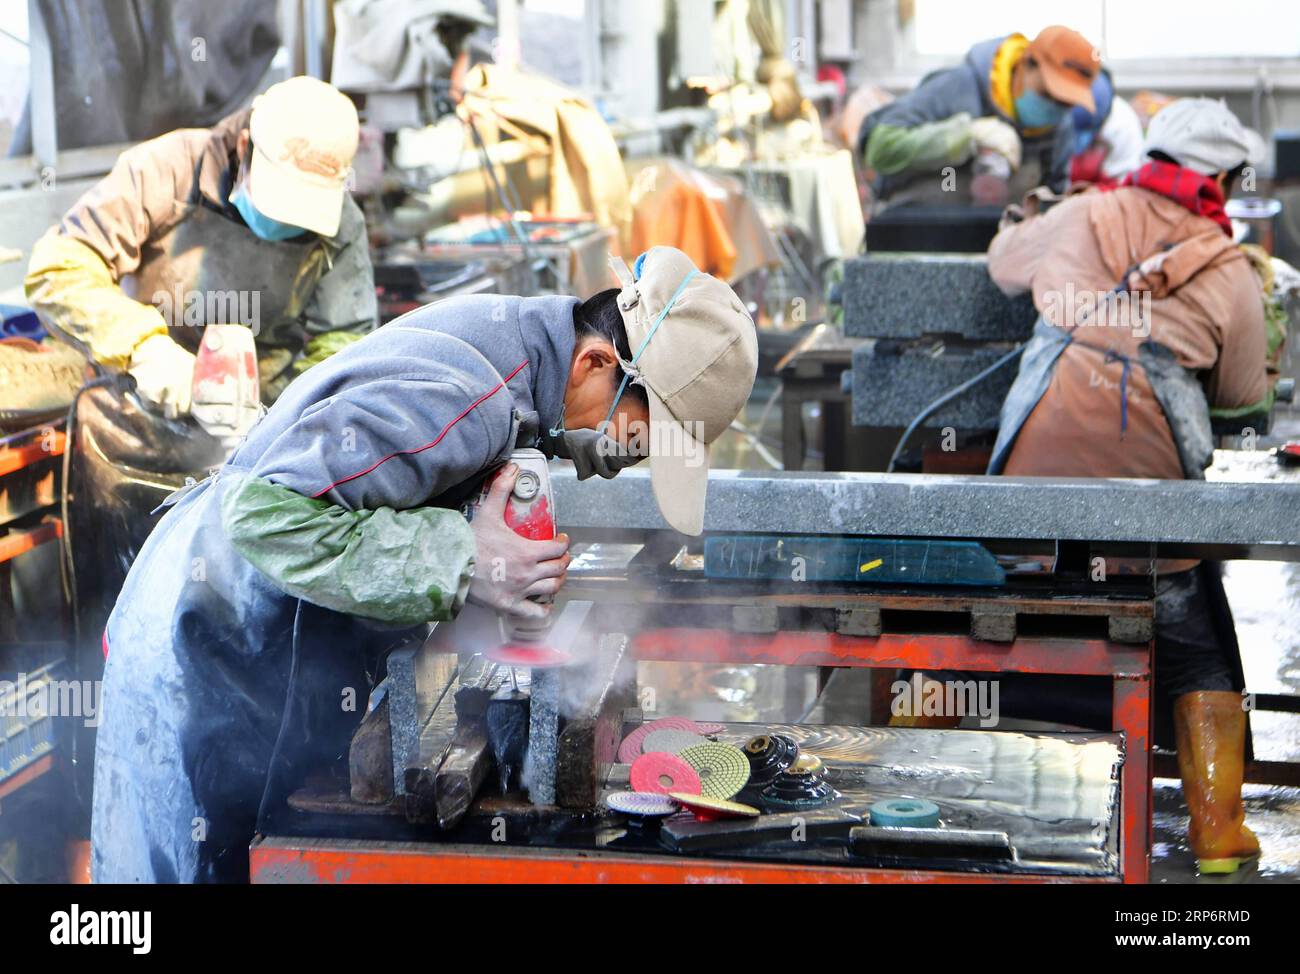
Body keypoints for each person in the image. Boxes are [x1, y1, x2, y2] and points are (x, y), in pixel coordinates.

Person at [91, 246, 759, 882]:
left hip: (239, 639)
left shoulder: (517, 361)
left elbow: (370, 498)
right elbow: (263, 513)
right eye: (637, 437)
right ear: (592, 363)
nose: (626, 461)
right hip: (203, 646)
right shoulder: (471, 395)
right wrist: (464, 561)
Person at [985, 98, 1272, 874]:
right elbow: (1244, 402)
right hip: (1146, 507)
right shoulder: (1229, 266)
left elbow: (1000, 263)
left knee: (1028, 620)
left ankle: (1027, 816)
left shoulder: (1087, 212)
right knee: (1196, 644)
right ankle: (1216, 833)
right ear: (1219, 178)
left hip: (1029, 497)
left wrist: (1037, 219)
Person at [858, 25, 1099, 207]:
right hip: (912, 231)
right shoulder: (958, 87)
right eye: (1048, 94)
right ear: (1025, 63)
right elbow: (880, 148)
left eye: (1065, 103)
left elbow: (1051, 201)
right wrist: (964, 136)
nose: (1054, 108)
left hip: (996, 248)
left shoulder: (1060, 127)